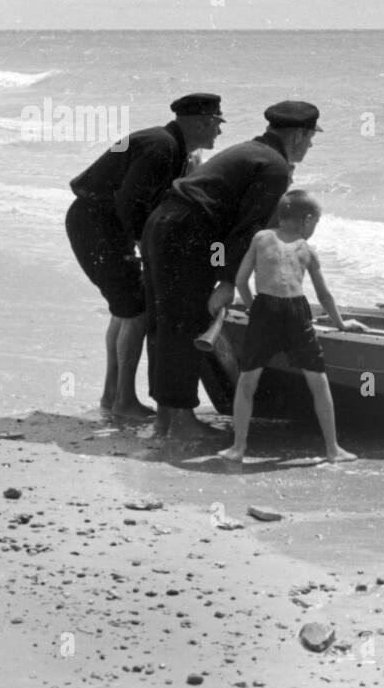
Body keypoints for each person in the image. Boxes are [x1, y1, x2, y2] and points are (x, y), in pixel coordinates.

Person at [141, 101, 324, 439]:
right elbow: (247, 229)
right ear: (299, 134)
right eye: (311, 137)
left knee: (165, 322)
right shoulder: (274, 167)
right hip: (187, 232)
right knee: (187, 324)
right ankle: (180, 421)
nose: (311, 145)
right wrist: (227, 281)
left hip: (163, 224)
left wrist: (221, 268)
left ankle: (166, 418)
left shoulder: (253, 151)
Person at [65, 93, 223, 418]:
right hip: (99, 225)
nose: (219, 132)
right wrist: (145, 245)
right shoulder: (162, 147)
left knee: (124, 310)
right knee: (136, 311)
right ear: (198, 122)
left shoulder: (166, 143)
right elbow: (129, 203)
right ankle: (123, 401)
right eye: (215, 124)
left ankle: (112, 395)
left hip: (96, 222)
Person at [218, 191, 363, 464]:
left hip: (265, 310)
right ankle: (333, 449)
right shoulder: (307, 250)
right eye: (315, 224)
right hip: (296, 312)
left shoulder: (260, 239)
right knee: (318, 382)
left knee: (248, 381)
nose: (313, 230)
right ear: (307, 220)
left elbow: (240, 280)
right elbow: (324, 295)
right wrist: (341, 324)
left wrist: (253, 308)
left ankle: (238, 448)